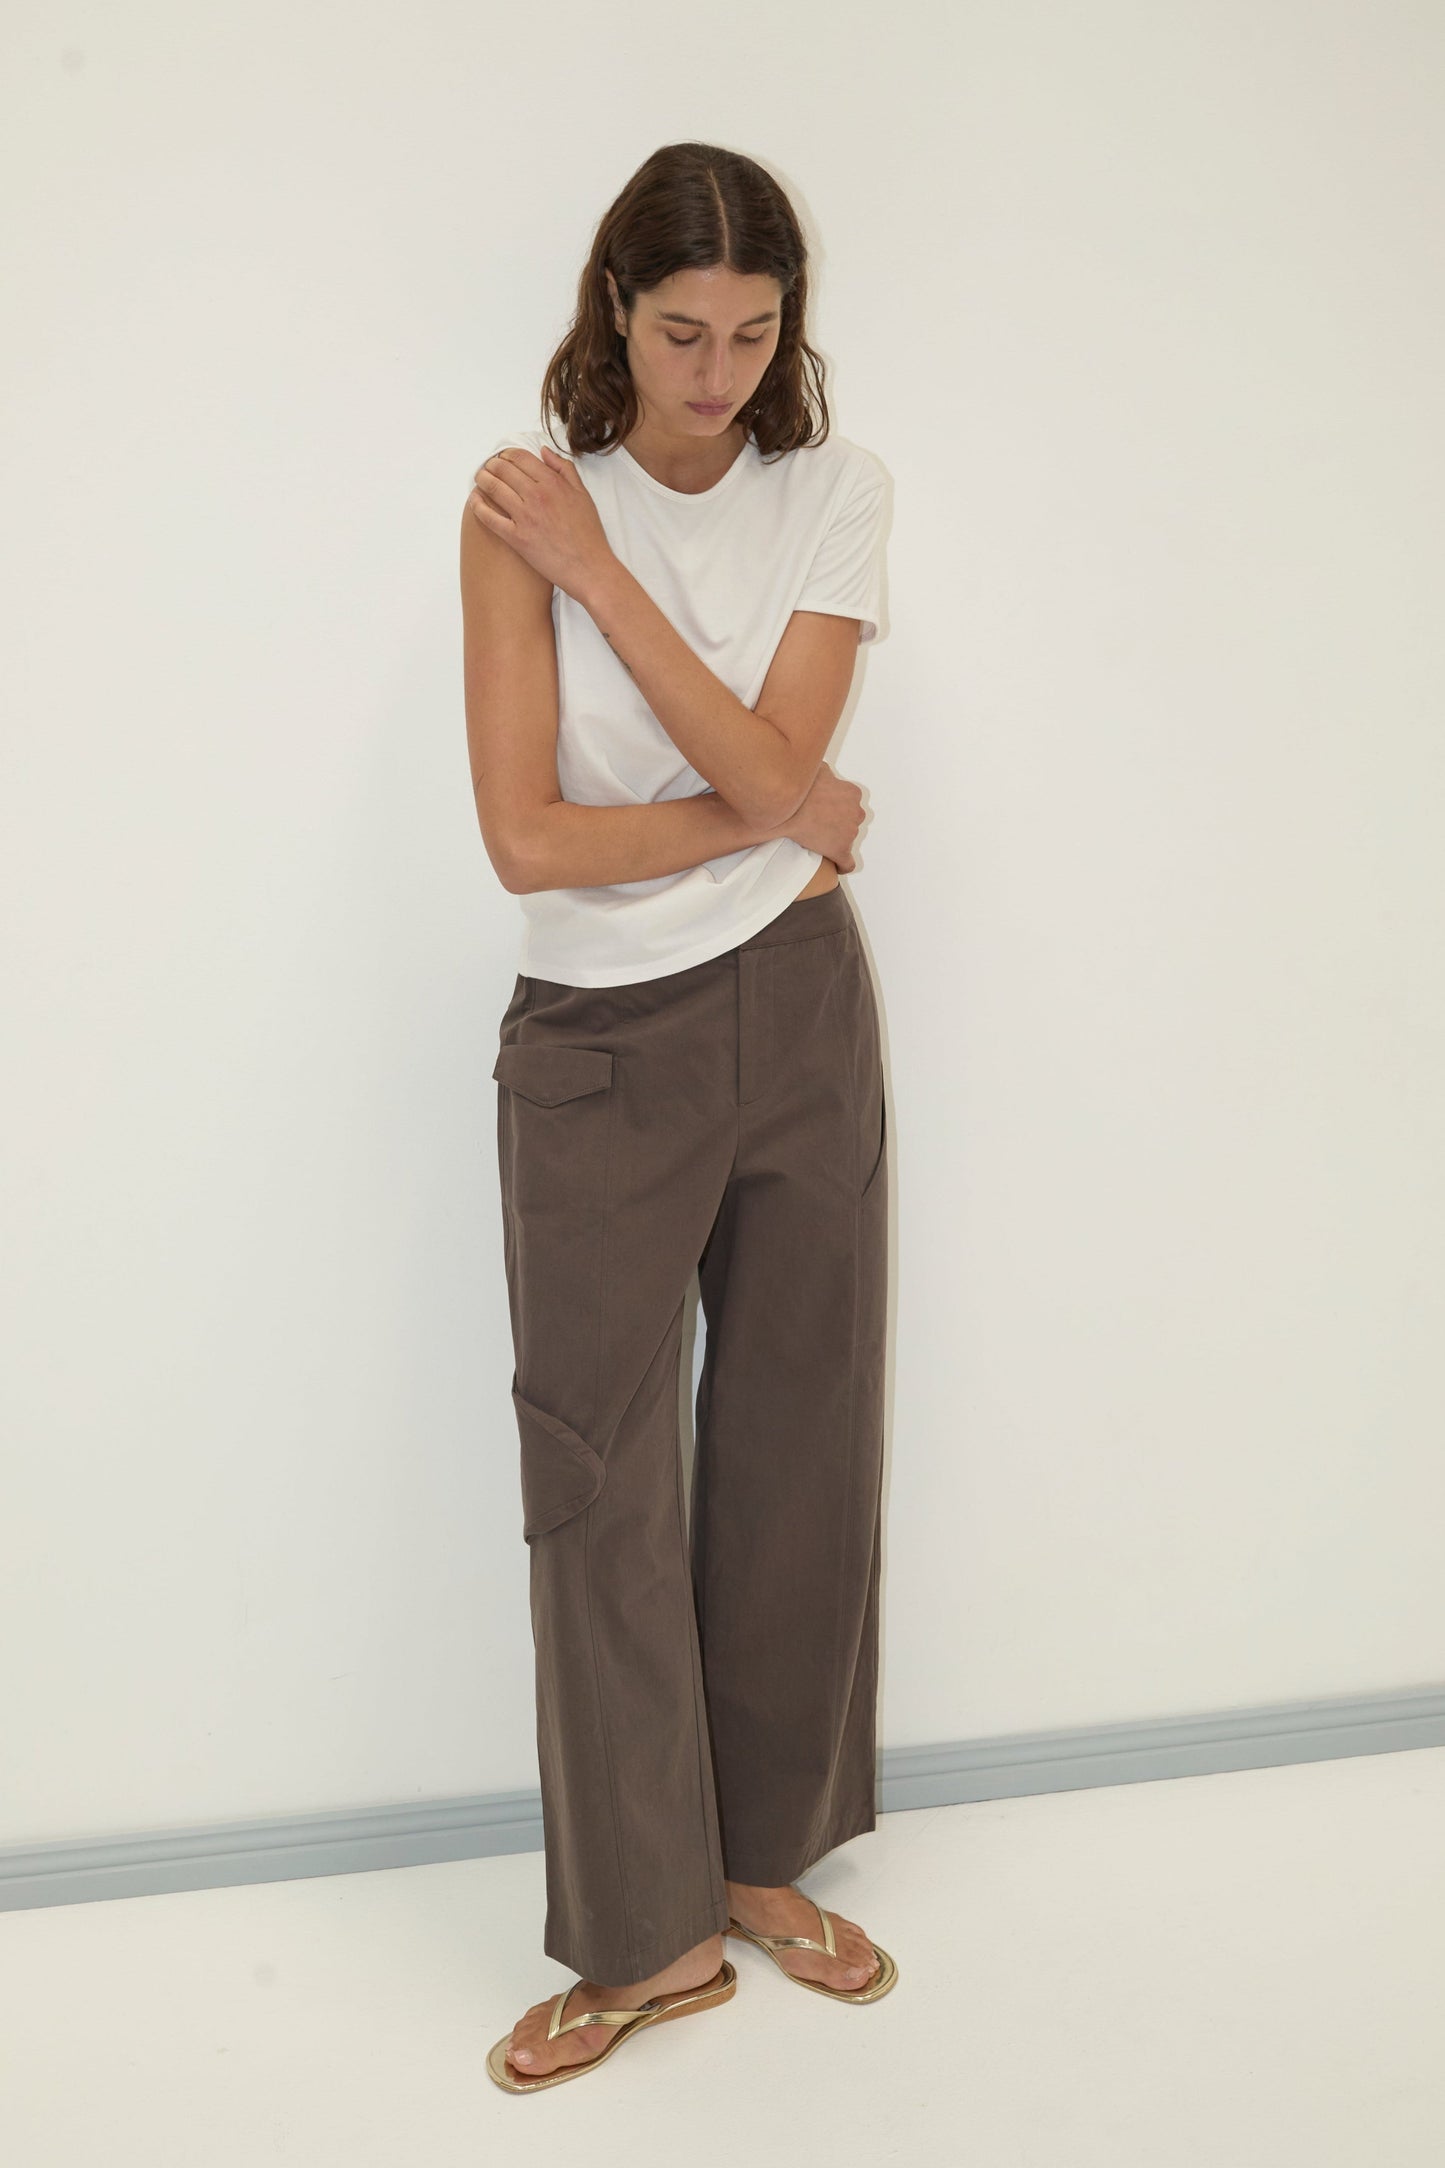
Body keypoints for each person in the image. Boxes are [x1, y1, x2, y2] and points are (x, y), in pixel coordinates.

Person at [460, 142, 897, 2095]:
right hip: (599, 1041)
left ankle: (757, 1856)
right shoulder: (525, 507)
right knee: (597, 1472)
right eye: (678, 330)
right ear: (612, 314)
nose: (714, 373)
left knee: (803, 1434)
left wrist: (617, 606)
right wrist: (774, 805)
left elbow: (792, 758)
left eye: (751, 332)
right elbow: (525, 837)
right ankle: (646, 1938)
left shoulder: (841, 491)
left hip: (806, 1006)